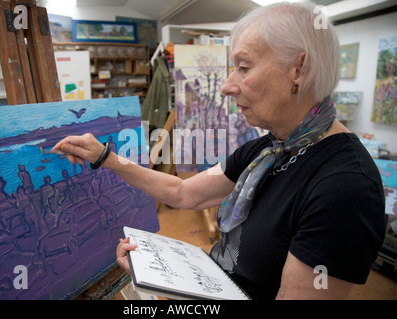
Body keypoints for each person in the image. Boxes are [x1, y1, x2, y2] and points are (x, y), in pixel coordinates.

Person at [53, 2, 385, 300]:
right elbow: (182, 192)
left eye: (243, 67)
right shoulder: (268, 149)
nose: (227, 85)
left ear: (298, 70)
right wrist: (105, 158)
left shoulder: (345, 188)